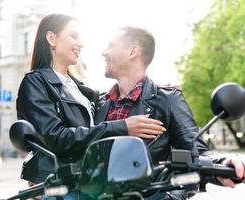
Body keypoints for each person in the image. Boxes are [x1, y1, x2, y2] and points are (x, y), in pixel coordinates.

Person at [16, 14, 165, 200]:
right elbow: (56, 138)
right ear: (51, 38)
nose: (81, 44)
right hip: (55, 185)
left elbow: (93, 134)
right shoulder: (35, 82)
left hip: (86, 184)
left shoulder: (85, 92)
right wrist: (123, 127)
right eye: (74, 36)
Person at [96, 26, 245, 199]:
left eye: (111, 46)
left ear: (132, 51)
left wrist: (222, 163)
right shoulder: (99, 103)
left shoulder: (167, 99)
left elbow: (194, 149)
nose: (103, 52)